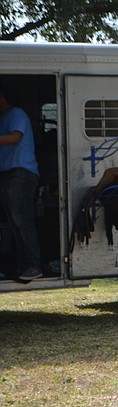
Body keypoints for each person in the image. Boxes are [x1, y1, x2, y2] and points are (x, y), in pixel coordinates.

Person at [0, 83, 42, 281]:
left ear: (4, 98)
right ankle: (23, 265)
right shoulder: (5, 116)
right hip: (10, 173)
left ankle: (34, 265)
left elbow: (14, 137)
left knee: (22, 221)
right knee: (14, 223)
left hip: (21, 173)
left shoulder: (16, 113)